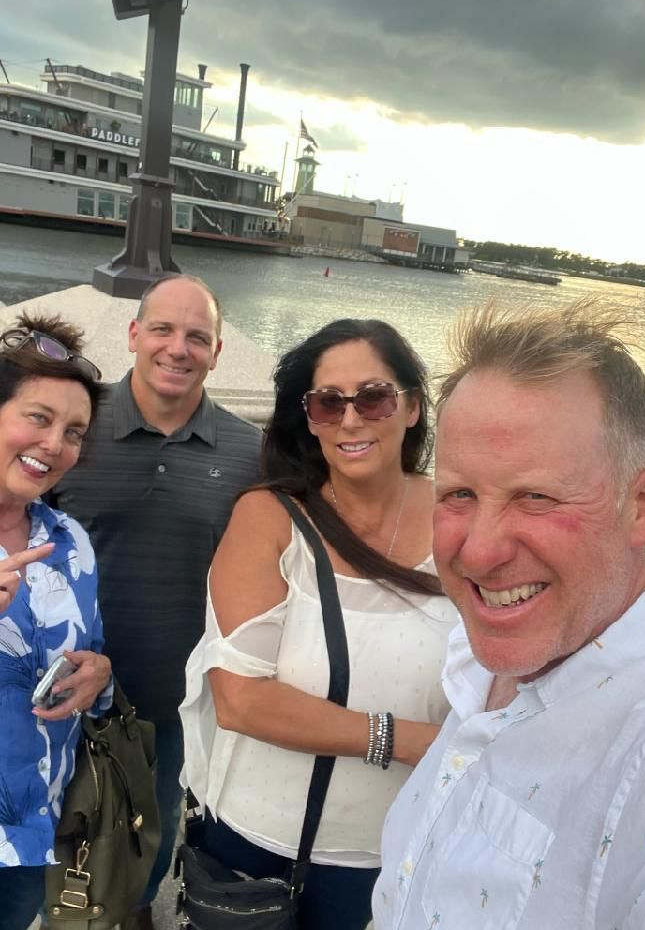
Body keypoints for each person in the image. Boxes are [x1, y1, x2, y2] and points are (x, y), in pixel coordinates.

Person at [372, 299, 645, 929]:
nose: (477, 550)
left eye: (536, 497)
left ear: (641, 506)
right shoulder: (482, 671)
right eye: (459, 494)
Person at [180, 318, 458, 930]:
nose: (351, 419)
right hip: (258, 847)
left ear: (411, 406)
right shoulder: (270, 517)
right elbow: (241, 701)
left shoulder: (459, 519)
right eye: (328, 403)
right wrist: (407, 740)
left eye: (374, 397)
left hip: (399, 851)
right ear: (308, 420)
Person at [48, 275, 262, 930]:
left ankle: (137, 911)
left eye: (198, 336)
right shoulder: (74, 424)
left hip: (171, 697)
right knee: (42, 835)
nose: (179, 348)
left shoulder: (249, 450)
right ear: (135, 335)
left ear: (217, 352)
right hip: (57, 686)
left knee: (151, 831)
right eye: (163, 330)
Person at [0, 313, 112, 930]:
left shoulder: (69, 540)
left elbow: (90, 655)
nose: (55, 444)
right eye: (38, 418)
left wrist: (99, 674)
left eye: (74, 431)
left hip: (32, 829)